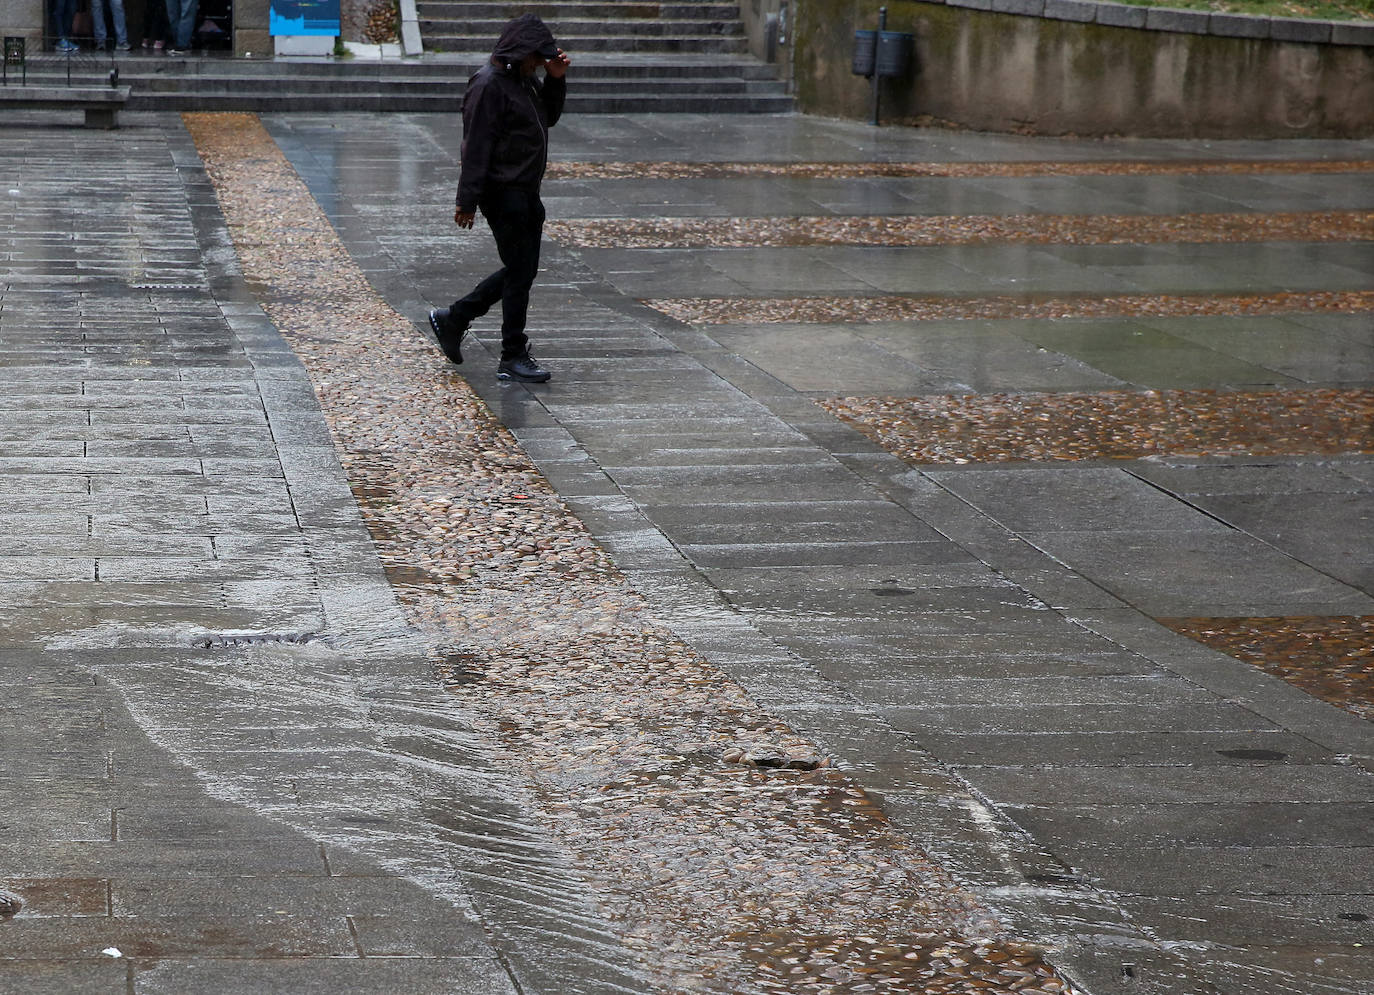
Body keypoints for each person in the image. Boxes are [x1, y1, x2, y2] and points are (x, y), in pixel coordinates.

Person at [427, 14, 570, 383]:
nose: (539, 62)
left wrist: (556, 80)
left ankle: (455, 318)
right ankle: (511, 353)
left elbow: (548, 117)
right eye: (536, 57)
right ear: (518, 51)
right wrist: (466, 201)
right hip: (502, 193)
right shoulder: (489, 85)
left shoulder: (523, 80)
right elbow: (476, 145)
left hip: (525, 191)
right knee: (521, 272)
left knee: (522, 270)